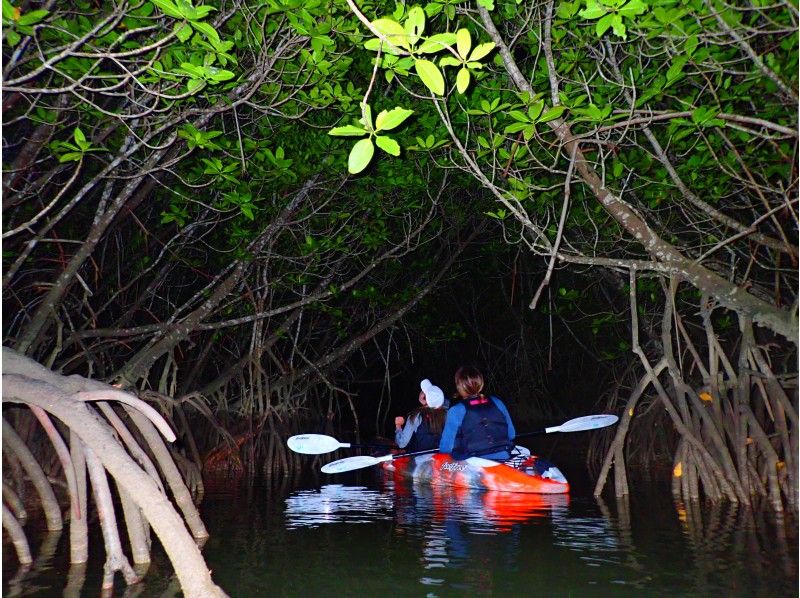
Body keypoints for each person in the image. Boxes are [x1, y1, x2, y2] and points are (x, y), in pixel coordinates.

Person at [438, 366, 516, 460]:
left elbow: (445, 448)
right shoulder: (497, 402)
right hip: (504, 457)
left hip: (473, 463)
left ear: (459, 386)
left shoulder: (456, 410)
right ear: (481, 383)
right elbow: (512, 434)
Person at [394, 379, 447, 451]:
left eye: (424, 392)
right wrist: (426, 404)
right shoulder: (447, 414)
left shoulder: (416, 416)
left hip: (422, 459)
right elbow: (435, 408)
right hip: (442, 457)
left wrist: (398, 426)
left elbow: (401, 443)